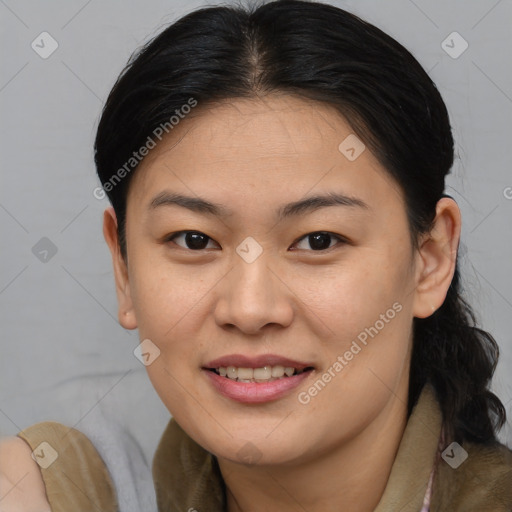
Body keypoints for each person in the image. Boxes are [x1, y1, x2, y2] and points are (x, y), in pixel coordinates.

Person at [1, 0, 511, 510]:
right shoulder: (53, 493)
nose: (249, 310)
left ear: (430, 259)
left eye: (318, 240)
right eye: (194, 240)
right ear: (124, 267)